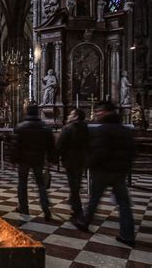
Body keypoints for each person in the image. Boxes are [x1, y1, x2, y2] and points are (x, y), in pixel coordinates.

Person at [73, 101, 135, 247]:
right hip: (119, 172)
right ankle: (128, 235)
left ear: (108, 112)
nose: (97, 113)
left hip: (103, 171)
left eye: (100, 110)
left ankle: (84, 222)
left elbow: (98, 152)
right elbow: (132, 151)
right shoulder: (125, 130)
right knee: (124, 204)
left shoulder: (102, 130)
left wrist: (88, 164)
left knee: (94, 199)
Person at [12, 104, 55, 221]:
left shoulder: (21, 127)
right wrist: (51, 160)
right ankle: (46, 208)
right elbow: (51, 146)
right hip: (38, 159)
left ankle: (24, 207)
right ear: (37, 113)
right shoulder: (45, 127)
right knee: (41, 184)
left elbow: (16, 146)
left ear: (27, 112)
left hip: (23, 160)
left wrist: (13, 160)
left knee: (22, 184)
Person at [54, 109, 89, 220]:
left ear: (76, 116)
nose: (69, 115)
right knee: (76, 183)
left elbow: (60, 145)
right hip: (82, 160)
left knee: (74, 186)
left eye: (71, 114)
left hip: (70, 161)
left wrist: (54, 158)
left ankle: (78, 212)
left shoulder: (68, 128)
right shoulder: (86, 128)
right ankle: (73, 202)